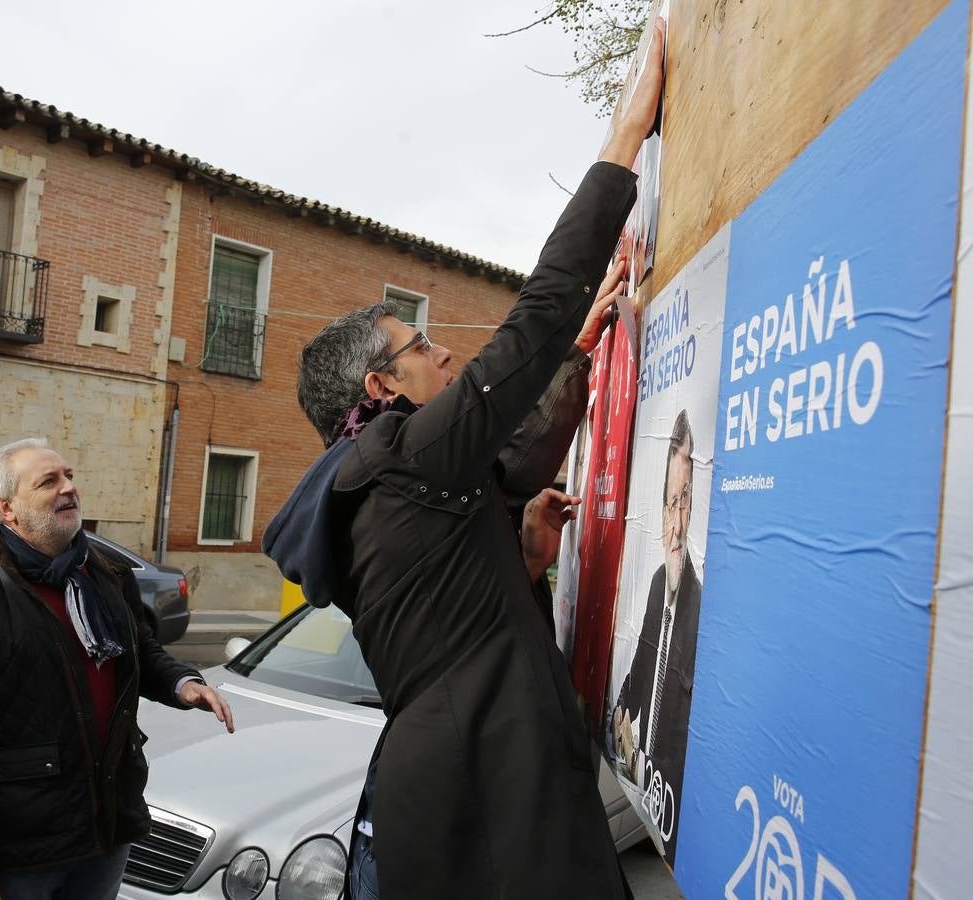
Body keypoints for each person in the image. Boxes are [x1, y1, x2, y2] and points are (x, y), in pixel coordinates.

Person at [263, 21, 664, 898]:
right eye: (423, 348)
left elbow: (459, 599)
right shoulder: (402, 457)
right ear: (383, 386)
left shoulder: (378, 485)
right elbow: (534, 318)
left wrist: (518, 562)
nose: (447, 357)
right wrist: (623, 141)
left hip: (469, 793)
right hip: (485, 805)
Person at [0, 438, 234, 900]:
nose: (68, 488)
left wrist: (181, 682)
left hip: (107, 826)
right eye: (49, 481)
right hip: (23, 846)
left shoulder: (105, 573)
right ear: (6, 508)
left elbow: (139, 651)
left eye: (68, 475)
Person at [611, 409, 701, 863]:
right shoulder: (652, 590)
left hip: (679, 833)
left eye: (685, 501)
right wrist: (621, 717)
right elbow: (631, 687)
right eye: (671, 503)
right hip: (647, 806)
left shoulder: (703, 613)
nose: (676, 523)